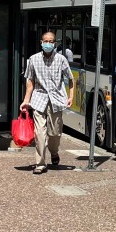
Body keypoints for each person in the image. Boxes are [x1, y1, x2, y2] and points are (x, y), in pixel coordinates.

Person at [21, 31, 75, 174]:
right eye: (46, 41)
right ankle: (40, 164)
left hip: (56, 100)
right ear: (41, 42)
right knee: (39, 133)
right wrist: (26, 100)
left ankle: (54, 151)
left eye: (51, 41)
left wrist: (71, 97)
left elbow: (70, 78)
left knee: (55, 133)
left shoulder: (61, 59)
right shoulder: (33, 59)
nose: (48, 44)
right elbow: (30, 82)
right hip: (39, 99)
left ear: (54, 43)